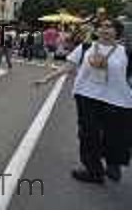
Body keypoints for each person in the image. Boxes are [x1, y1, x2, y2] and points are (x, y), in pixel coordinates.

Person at [35, 18, 132, 183]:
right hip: (87, 96)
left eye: (109, 27)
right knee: (88, 135)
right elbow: (69, 67)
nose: (105, 29)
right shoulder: (86, 48)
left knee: (115, 135)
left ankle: (113, 163)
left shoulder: (126, 52)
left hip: (117, 100)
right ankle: (94, 171)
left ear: (117, 31)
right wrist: (46, 79)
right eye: (102, 26)